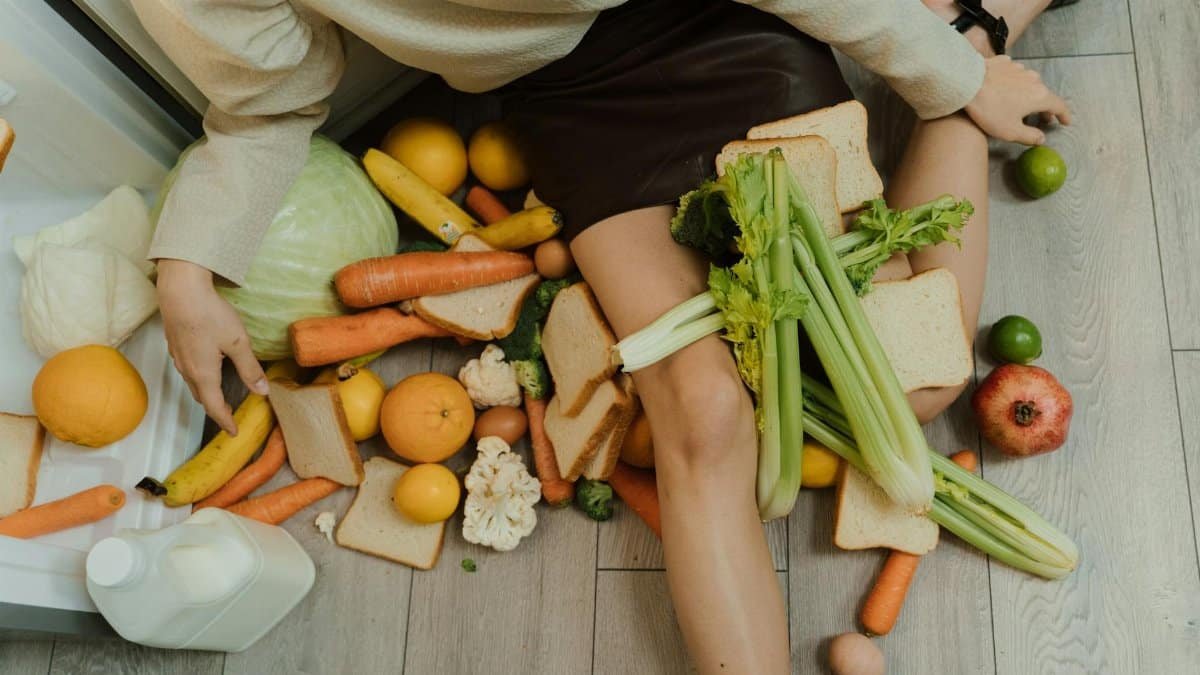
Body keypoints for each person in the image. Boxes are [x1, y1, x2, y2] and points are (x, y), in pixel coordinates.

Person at [133, 0, 1069, 672]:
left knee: (921, 388)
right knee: (699, 412)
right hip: (569, 95)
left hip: (722, 24)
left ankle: (973, 30)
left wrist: (950, 74)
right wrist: (186, 262)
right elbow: (268, 97)